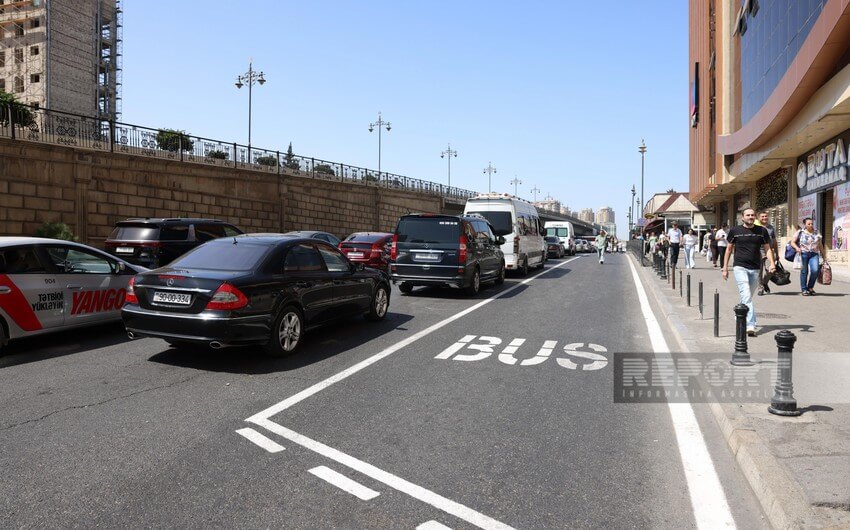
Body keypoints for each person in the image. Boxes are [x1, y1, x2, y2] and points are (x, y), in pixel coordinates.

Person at [722, 208, 775, 336]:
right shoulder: (735, 231)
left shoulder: (762, 231)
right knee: (746, 294)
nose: (750, 217)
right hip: (740, 266)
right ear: (743, 217)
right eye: (748, 215)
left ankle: (739, 312)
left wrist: (772, 263)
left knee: (747, 296)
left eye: (752, 215)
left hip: (755, 267)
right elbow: (728, 250)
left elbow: (767, 249)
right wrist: (725, 268)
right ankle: (751, 324)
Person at [790, 217, 827, 296]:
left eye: (812, 223)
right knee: (804, 272)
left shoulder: (817, 232)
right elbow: (792, 242)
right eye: (809, 224)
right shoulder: (800, 232)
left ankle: (810, 287)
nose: (811, 225)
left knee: (815, 270)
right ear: (805, 225)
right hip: (803, 254)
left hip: (814, 254)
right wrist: (797, 248)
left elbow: (820, 245)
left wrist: (824, 256)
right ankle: (804, 289)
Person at [756, 211, 779, 295]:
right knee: (759, 271)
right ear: (759, 218)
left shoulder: (771, 228)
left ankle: (764, 282)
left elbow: (774, 241)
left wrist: (777, 253)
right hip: (758, 251)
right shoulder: (755, 227)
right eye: (762, 216)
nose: (764, 218)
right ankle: (760, 288)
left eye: (766, 216)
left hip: (769, 251)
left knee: (771, 270)